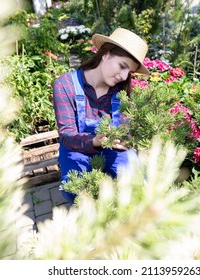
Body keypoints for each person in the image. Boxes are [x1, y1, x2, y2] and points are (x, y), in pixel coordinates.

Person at [52, 28, 149, 204]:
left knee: (139, 181)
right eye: (122, 66)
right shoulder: (65, 85)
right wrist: (95, 141)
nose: (124, 76)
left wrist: (127, 137)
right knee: (73, 190)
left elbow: (126, 127)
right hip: (77, 149)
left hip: (112, 148)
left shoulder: (121, 91)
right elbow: (66, 135)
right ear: (106, 54)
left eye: (130, 72)